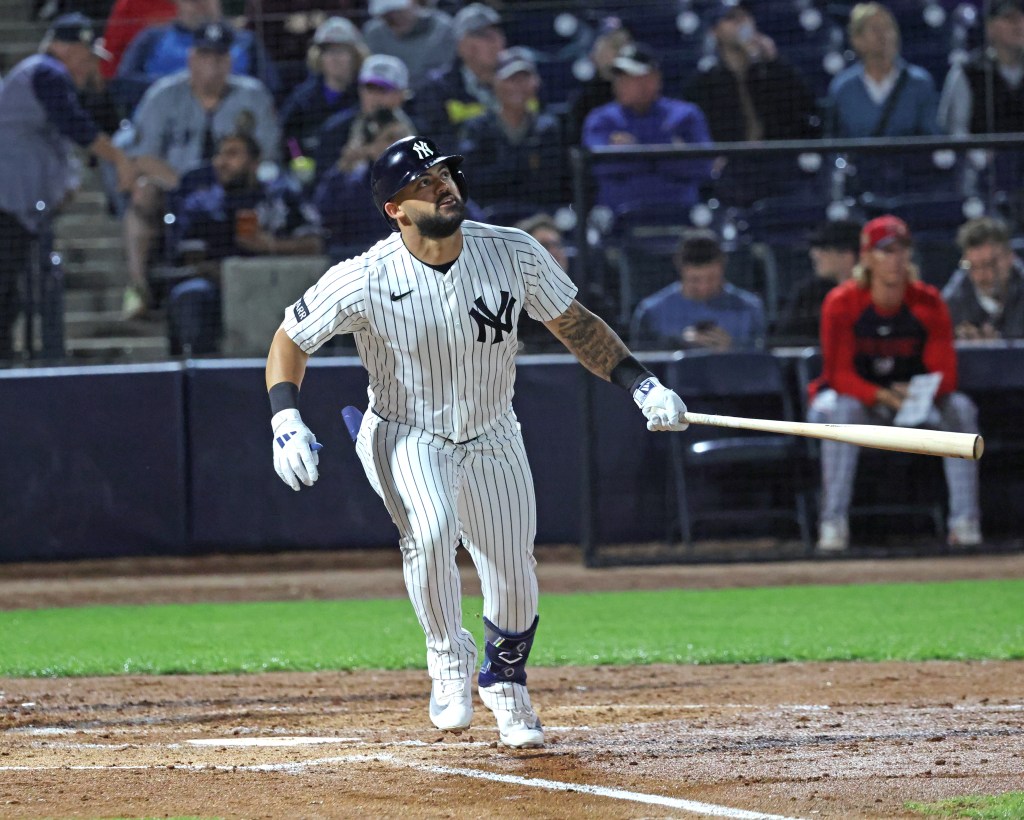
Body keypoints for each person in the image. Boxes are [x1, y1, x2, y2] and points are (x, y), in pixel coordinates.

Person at [264, 134, 689, 748]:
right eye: (424, 181)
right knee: (433, 531)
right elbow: (289, 340)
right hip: (406, 431)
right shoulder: (363, 277)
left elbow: (576, 325)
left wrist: (642, 386)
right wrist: (286, 420)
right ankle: (448, 659)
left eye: (445, 174)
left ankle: (507, 684)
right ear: (396, 209)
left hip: (493, 431)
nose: (444, 186)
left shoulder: (513, 252)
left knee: (513, 569)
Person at [807, 215, 982, 552]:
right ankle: (832, 523)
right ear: (868, 256)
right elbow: (839, 374)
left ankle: (965, 522)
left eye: (901, 249)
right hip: (859, 403)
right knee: (840, 411)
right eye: (886, 251)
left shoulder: (928, 301)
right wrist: (883, 395)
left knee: (960, 408)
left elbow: (946, 371)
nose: (895, 258)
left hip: (914, 402)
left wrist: (916, 393)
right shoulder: (842, 303)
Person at [0, 13, 137, 360]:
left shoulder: (46, 79)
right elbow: (75, 126)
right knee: (6, 291)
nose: (88, 63)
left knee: (13, 292)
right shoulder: (46, 70)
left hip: (17, 209)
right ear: (60, 46)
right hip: (5, 206)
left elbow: (60, 143)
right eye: (82, 52)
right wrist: (118, 158)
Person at [121, 20, 280, 318]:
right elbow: (142, 156)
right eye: (205, 57)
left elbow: (269, 155)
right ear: (191, 58)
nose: (213, 65)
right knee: (142, 193)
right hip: (176, 186)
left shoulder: (253, 96)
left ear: (230, 61)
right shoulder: (164, 94)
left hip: (238, 190)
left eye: (219, 58)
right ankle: (137, 287)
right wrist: (184, 185)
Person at [167, 131, 323, 355]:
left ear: (254, 162)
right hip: (221, 288)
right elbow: (194, 260)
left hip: (284, 284)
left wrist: (266, 246)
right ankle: (200, 375)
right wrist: (237, 275)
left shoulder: (283, 197)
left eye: (232, 154)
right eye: (219, 155)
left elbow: (314, 245)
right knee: (191, 294)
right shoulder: (201, 204)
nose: (221, 162)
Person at [683, 2, 820, 206]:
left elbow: (806, 107)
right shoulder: (703, 82)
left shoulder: (773, 71)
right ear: (714, 31)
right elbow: (691, 129)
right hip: (733, 167)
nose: (740, 23)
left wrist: (773, 61)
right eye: (731, 19)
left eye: (744, 16)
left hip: (778, 162)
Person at [581, 42, 713, 214]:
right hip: (619, 218)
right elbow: (599, 166)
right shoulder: (602, 119)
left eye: (630, 76)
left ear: (654, 79)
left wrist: (633, 149)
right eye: (619, 77)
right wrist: (670, 151)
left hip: (680, 214)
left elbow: (702, 166)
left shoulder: (686, 115)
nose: (620, 83)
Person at [112, 0, 279, 113]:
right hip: (164, 128)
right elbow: (124, 85)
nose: (201, 4)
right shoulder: (152, 38)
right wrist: (188, 87)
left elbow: (271, 89)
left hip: (233, 127)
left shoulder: (245, 41)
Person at [457, 47, 566, 213]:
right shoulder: (478, 128)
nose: (518, 87)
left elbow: (555, 183)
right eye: (510, 79)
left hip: (538, 216)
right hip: (489, 218)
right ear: (494, 82)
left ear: (536, 82)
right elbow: (470, 181)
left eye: (524, 79)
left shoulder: (547, 128)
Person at [629, 228, 766, 351]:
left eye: (712, 278)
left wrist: (731, 350)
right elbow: (641, 370)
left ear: (723, 266)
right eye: (694, 280)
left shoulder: (749, 309)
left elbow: (762, 367)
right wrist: (678, 345)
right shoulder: (651, 312)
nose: (703, 287)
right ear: (679, 267)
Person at [313, 108, 415, 260]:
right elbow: (323, 215)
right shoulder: (352, 185)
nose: (399, 144)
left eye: (402, 137)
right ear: (370, 146)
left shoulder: (421, 182)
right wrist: (343, 166)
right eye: (390, 138)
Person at [311, 53, 416, 187]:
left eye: (383, 90)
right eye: (370, 88)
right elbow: (320, 196)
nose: (375, 97)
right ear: (360, 90)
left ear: (401, 95)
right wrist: (345, 165)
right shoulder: (335, 131)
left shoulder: (422, 129)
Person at [413, 3, 506, 148]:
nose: (494, 41)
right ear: (462, 45)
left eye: (496, 33)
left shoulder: (517, 80)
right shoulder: (437, 89)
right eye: (483, 35)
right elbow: (432, 142)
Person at [277, 17, 368, 164]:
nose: (335, 58)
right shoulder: (302, 99)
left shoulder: (367, 94)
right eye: (328, 52)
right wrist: (297, 157)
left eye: (342, 51)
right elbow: (288, 137)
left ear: (355, 55)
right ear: (318, 57)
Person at [938, 0, 1024, 136]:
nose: (1018, 24)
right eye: (1009, 18)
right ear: (989, 27)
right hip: (982, 155)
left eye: (1021, 17)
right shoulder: (968, 72)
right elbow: (955, 130)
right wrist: (975, 154)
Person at [776, 219, 863, 343]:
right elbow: (786, 341)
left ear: (847, 255)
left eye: (824, 249)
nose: (814, 254)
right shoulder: (808, 294)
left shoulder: (874, 292)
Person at [943, 215, 1024, 340]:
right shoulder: (952, 304)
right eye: (973, 266)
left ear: (1010, 258)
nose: (983, 275)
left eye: (991, 264)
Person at [563, 16, 633, 147]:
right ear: (595, 51)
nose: (620, 52)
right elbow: (576, 147)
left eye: (624, 44)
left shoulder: (640, 93)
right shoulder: (584, 99)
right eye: (613, 45)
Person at [362, 0, 457, 91]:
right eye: (387, 15)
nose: (395, 18)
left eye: (399, 11)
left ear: (413, 2)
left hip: (433, 95)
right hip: (389, 96)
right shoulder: (374, 35)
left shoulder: (442, 29)